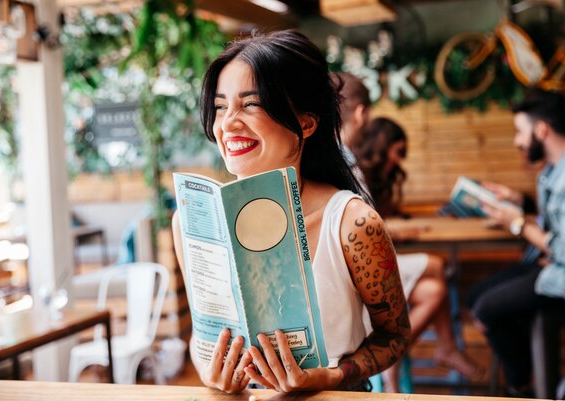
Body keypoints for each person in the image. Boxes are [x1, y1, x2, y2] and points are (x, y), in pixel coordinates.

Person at [172, 29, 411, 394]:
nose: (228, 123)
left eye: (251, 104)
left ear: (306, 121)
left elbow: (394, 336)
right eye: (221, 106)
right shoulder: (192, 222)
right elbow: (201, 339)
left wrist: (329, 376)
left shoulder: (352, 223)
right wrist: (208, 371)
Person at [466, 89, 565, 397]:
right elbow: (562, 217)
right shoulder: (559, 165)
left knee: (486, 310)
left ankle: (527, 388)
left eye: (519, 132)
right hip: (555, 262)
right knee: (475, 296)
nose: (517, 141)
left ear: (541, 130)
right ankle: (540, 379)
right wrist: (518, 200)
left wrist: (517, 223)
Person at [354, 117, 485, 392]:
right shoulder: (356, 171)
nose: (400, 161)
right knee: (437, 266)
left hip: (378, 261)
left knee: (434, 290)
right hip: (366, 267)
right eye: (398, 152)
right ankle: (444, 349)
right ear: (382, 146)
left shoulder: (379, 178)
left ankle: (391, 355)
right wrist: (398, 232)